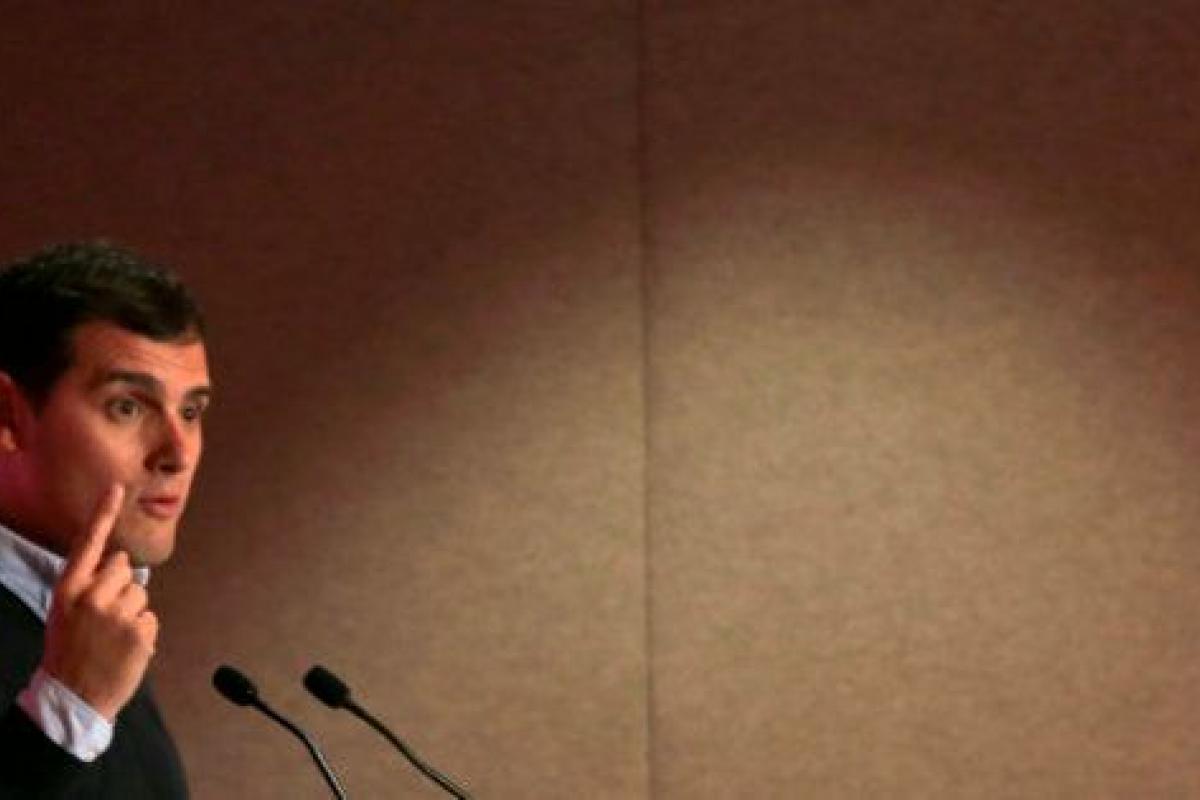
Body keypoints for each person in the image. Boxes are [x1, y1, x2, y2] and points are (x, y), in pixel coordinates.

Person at [0, 241, 211, 798]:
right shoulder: (77, 661)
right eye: (128, 406)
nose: (177, 453)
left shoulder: (96, 623)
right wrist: (65, 708)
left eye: (191, 411)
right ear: (8, 415)